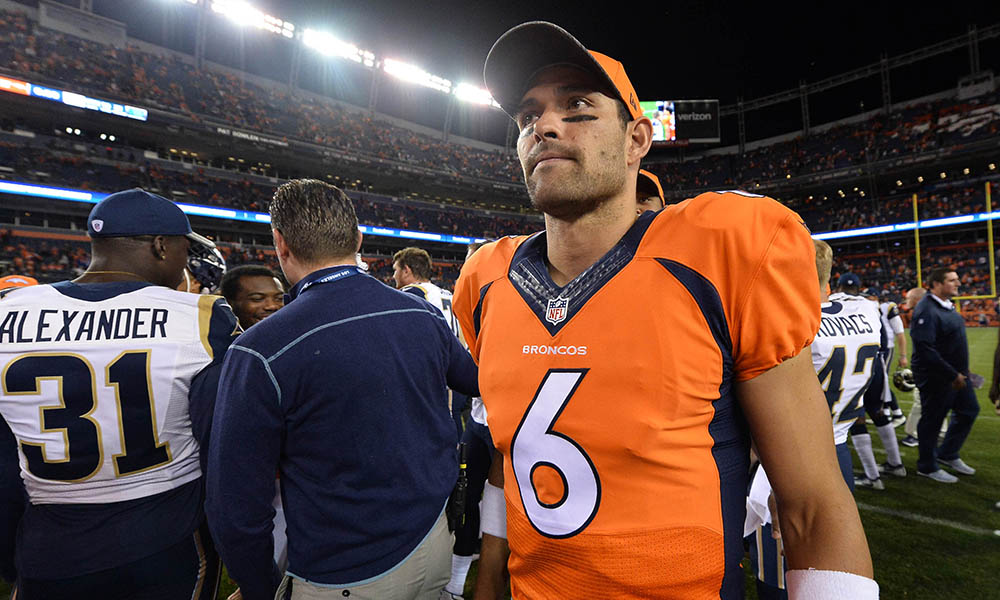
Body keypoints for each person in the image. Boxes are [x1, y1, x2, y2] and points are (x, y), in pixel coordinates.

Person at [454, 21, 875, 599]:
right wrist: (490, 580)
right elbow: (510, 456)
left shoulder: (720, 252)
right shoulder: (486, 281)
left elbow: (810, 505)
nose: (544, 125)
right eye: (528, 116)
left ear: (636, 141)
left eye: (578, 106)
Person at [205, 179, 480, 600]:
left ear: (280, 244)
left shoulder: (260, 349)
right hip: (432, 539)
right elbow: (476, 381)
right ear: (357, 238)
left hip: (343, 568)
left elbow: (236, 507)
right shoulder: (419, 313)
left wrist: (259, 588)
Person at [0, 188, 238, 599]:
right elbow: (223, 436)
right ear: (161, 246)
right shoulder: (200, 316)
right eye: (183, 248)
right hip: (162, 534)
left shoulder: (9, 309)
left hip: (49, 541)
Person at [746, 241, 881, 599]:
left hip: (788, 454)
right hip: (838, 448)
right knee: (830, 560)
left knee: (780, 570)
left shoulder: (785, 319)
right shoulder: (865, 310)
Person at [911, 267, 979, 483]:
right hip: (938, 377)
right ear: (936, 284)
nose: (958, 283)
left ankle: (947, 454)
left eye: (957, 279)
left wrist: (963, 370)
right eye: (952, 280)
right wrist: (952, 374)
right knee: (933, 420)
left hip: (956, 375)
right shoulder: (927, 310)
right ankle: (927, 466)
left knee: (969, 410)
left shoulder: (947, 306)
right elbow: (925, 348)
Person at [393, 247, 459, 336]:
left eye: (395, 270)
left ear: (406, 270)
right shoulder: (447, 294)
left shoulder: (411, 293)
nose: (394, 276)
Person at [900, 286, 928, 447]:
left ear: (917, 299)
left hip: (929, 368)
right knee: (937, 401)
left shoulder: (924, 314)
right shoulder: (931, 311)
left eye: (909, 298)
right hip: (937, 367)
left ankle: (913, 435)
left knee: (920, 401)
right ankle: (940, 430)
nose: (906, 301)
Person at [219, 265, 285, 329]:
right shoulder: (213, 338)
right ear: (228, 303)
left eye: (279, 298)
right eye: (257, 299)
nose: (272, 306)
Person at [876, 296, 908, 427]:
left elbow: (900, 333)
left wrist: (903, 356)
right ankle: (886, 412)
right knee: (878, 383)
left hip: (885, 348)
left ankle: (898, 414)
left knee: (882, 383)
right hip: (876, 348)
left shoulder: (887, 307)